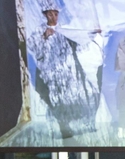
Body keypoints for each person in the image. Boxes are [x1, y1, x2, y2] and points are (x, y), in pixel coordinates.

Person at [27, 0, 103, 138]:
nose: (53, 17)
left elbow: (79, 42)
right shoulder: (39, 31)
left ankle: (84, 125)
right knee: (59, 100)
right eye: (50, 14)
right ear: (45, 15)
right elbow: (33, 48)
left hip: (69, 71)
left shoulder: (65, 29)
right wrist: (44, 37)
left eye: (55, 14)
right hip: (53, 74)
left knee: (76, 96)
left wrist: (92, 34)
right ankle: (64, 127)